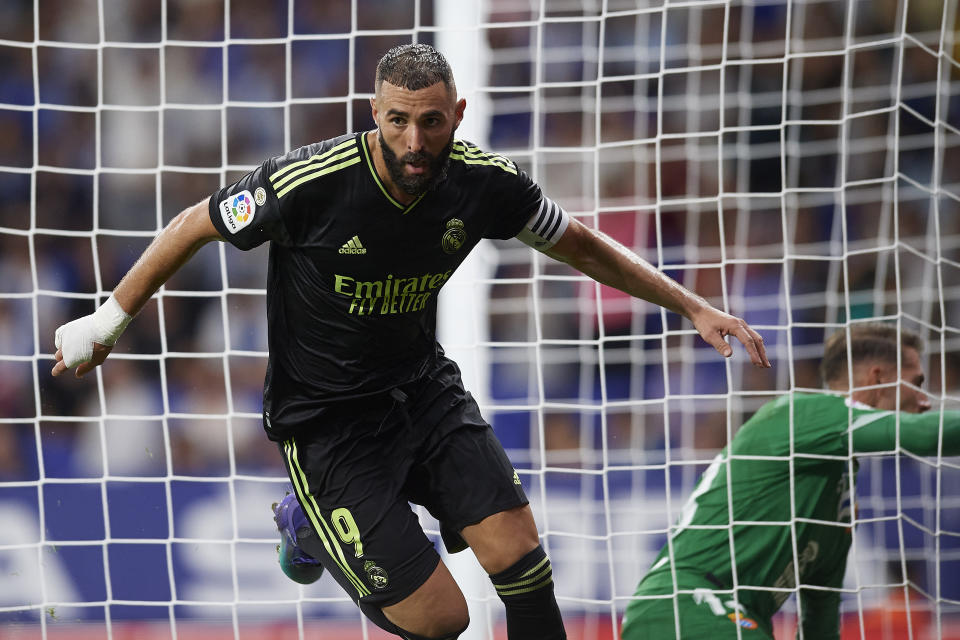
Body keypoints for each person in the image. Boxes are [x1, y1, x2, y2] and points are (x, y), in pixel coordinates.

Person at [51, 43, 769, 640]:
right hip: (328, 426)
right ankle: (310, 527)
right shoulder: (310, 182)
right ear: (375, 113)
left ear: (457, 114)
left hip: (422, 393)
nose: (414, 141)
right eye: (398, 122)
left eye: (430, 122)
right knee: (442, 620)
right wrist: (108, 320)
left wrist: (690, 304)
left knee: (522, 559)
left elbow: (576, 243)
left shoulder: (484, 184)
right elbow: (193, 224)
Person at [621, 322, 960, 640]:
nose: (925, 402)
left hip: (722, 616)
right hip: (690, 603)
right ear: (878, 377)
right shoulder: (806, 412)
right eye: (916, 384)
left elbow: (821, 612)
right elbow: (927, 436)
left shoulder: (840, 494)